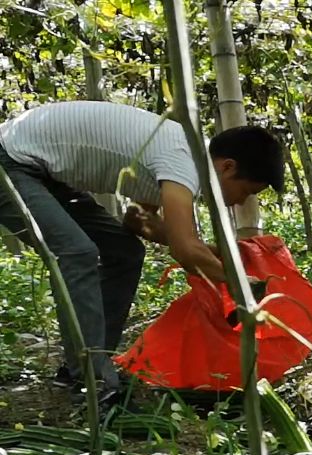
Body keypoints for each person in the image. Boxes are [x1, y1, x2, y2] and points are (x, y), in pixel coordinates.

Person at [0, 100, 284, 406]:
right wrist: (246, 286)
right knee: (76, 252)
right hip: (9, 163)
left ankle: (87, 365)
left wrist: (214, 253)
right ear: (227, 166)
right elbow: (185, 249)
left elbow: (137, 220)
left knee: (124, 251)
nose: (241, 202)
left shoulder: (182, 155)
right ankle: (91, 381)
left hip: (39, 172)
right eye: (247, 191)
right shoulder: (184, 159)